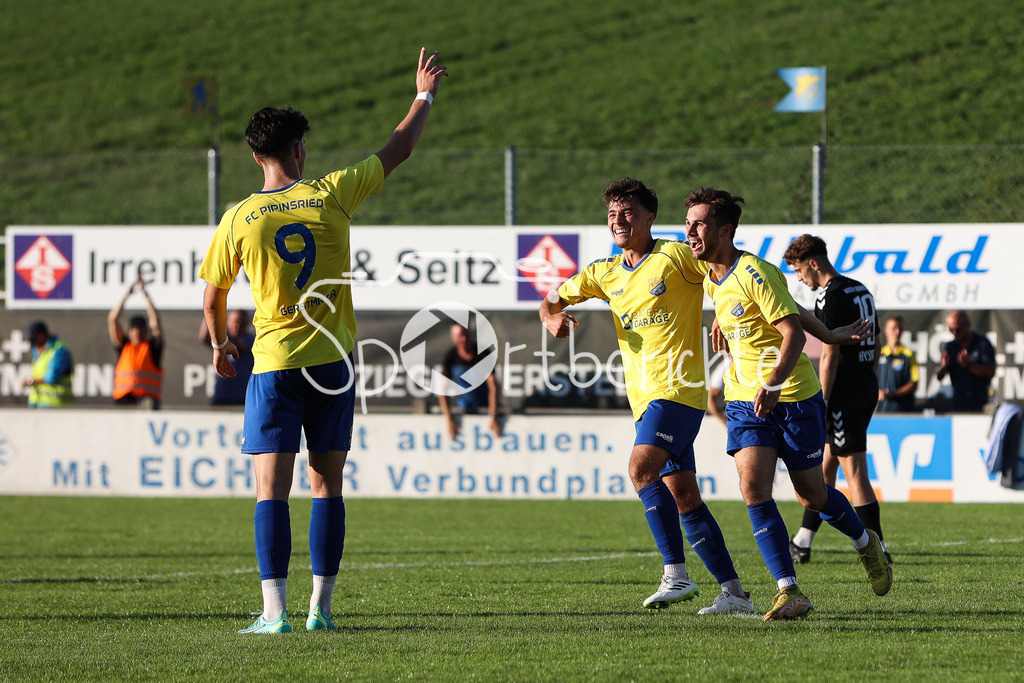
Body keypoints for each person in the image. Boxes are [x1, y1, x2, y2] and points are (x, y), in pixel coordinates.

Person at [198, 48, 448, 635]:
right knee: (327, 484)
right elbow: (400, 147)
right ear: (298, 151)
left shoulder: (238, 218)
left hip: (276, 363)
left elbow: (213, 298)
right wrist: (423, 94)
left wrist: (219, 345)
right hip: (332, 363)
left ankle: (274, 613)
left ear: (257, 156)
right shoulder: (332, 194)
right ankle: (322, 611)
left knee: (271, 491)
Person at [540, 177, 754, 616]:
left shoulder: (674, 255)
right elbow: (549, 300)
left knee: (640, 469)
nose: (618, 221)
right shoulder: (605, 271)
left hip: (679, 391)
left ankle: (676, 573)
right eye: (612, 215)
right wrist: (551, 318)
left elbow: (721, 272)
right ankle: (734, 592)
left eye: (628, 213)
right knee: (684, 497)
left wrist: (721, 314)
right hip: (644, 400)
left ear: (650, 217)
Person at [684, 186, 892, 621]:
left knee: (812, 495)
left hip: (792, 396)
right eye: (688, 224)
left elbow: (792, 330)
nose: (690, 232)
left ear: (725, 230)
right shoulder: (710, 274)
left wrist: (776, 381)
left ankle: (864, 542)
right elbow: (790, 306)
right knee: (753, 489)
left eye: (699, 224)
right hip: (745, 399)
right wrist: (723, 318)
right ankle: (788, 589)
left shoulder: (756, 272)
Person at [782, 234, 891, 566]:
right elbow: (876, 338)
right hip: (864, 383)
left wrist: (823, 402)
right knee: (824, 467)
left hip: (842, 391)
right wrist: (869, 378)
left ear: (814, 263)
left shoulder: (830, 296)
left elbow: (829, 354)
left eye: (800, 271)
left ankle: (879, 548)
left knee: (854, 471)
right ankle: (802, 541)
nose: (799, 279)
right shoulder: (860, 288)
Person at [438, 323, 502, 439]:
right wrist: (449, 419)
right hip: (464, 410)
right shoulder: (450, 357)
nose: (464, 339)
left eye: (466, 334)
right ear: (453, 338)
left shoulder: (483, 353)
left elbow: (493, 387)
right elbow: (443, 392)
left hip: (486, 408)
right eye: (460, 335)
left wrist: (494, 417)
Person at [108, 277, 164, 409]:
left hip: (146, 401)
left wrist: (145, 294)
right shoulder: (124, 346)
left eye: (140, 329)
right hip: (123, 401)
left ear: (146, 331)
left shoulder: (152, 348)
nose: (137, 332)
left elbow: (155, 321)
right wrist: (127, 294)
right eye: (133, 328)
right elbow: (112, 320)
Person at [935, 310, 996, 412]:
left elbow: (991, 371)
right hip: (958, 402)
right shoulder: (949, 347)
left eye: (958, 329)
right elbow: (938, 376)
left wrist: (970, 364)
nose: (954, 333)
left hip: (980, 403)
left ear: (968, 325)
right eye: (951, 330)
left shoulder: (982, 344)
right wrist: (944, 367)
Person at [198, 309, 256, 406]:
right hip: (221, 396)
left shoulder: (250, 339)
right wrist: (209, 313)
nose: (237, 325)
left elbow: (238, 345)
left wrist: (218, 330)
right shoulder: (221, 341)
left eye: (241, 323)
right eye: (235, 322)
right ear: (228, 322)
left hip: (241, 398)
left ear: (246, 324)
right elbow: (205, 338)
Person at [23, 320, 74, 408]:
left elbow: (52, 377)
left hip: (56, 407)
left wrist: (30, 381)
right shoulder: (38, 352)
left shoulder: (58, 350)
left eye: (33, 340)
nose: (32, 344)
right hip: (37, 404)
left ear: (40, 336)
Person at [876, 314, 919, 413]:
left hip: (902, 411)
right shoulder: (879, 354)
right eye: (894, 328)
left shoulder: (909, 354)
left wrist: (894, 394)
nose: (897, 332)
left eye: (900, 328)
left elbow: (914, 383)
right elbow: (870, 379)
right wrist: (878, 392)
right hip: (881, 410)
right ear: (886, 330)